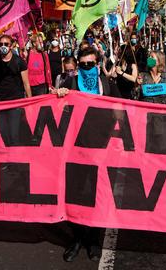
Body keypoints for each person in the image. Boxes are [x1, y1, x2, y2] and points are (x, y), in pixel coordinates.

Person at [53, 47, 107, 262]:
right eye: (82, 64)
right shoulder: (71, 83)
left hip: (101, 148)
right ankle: (77, 239)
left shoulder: (106, 84)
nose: (86, 67)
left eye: (90, 64)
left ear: (97, 63)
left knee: (97, 195)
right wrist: (59, 95)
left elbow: (123, 108)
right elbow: (57, 109)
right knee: (75, 194)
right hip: (75, 147)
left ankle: (93, 239)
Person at [0, 35, 31, 103]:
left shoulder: (19, 62)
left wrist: (30, 102)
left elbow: (26, 84)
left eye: (6, 44)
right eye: (1, 44)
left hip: (16, 101)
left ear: (11, 46)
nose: (3, 46)